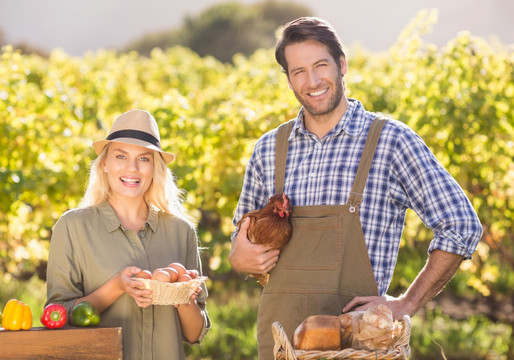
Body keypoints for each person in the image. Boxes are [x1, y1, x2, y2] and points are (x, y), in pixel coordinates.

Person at [229, 17, 482, 359]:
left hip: (360, 347)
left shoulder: (390, 141)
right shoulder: (269, 148)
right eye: (298, 71)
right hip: (282, 347)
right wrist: (239, 256)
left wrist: (407, 302)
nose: (313, 80)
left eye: (321, 65)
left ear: (342, 64)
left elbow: (461, 224)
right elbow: (241, 239)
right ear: (288, 79)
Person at [46, 109, 210, 360]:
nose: (132, 168)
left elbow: (194, 333)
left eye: (144, 159)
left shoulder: (181, 231)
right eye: (121, 156)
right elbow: (58, 316)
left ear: (155, 168)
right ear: (104, 164)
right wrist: (117, 286)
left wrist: (180, 294)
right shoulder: (73, 227)